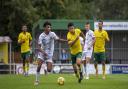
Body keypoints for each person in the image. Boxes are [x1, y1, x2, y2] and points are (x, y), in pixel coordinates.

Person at [34, 21, 67, 85]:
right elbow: (39, 47)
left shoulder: (52, 34)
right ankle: (37, 80)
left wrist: (66, 41)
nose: (49, 28)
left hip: (49, 54)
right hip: (42, 53)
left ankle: (46, 69)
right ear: (45, 28)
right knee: (39, 66)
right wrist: (43, 52)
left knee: (49, 70)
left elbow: (58, 39)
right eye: (48, 27)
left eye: (50, 27)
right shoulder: (41, 36)